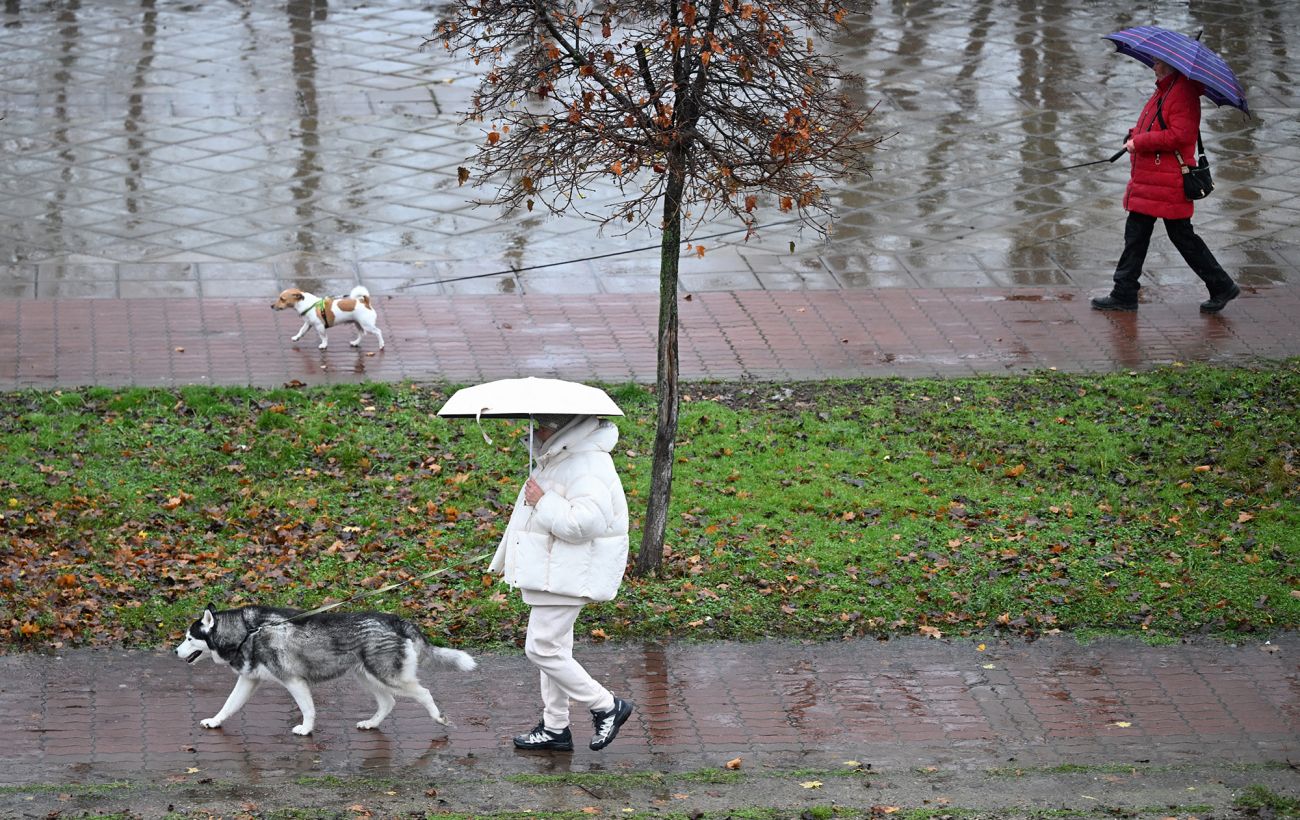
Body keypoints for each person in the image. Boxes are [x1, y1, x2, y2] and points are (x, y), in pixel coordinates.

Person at [490, 413, 634, 752]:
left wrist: (543, 501)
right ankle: (556, 727)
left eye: (539, 424)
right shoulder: (561, 458)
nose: (533, 430)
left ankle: (606, 704)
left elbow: (583, 524)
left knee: (541, 648)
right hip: (555, 570)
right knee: (555, 649)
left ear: (560, 427)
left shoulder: (587, 464)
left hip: (570, 572)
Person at [1091, 58, 1240, 313]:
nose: (1154, 66)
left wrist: (1141, 143)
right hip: (1154, 179)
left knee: (1180, 237)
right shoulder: (1166, 88)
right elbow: (1153, 123)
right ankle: (1124, 291)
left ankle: (1220, 284)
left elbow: (1180, 135)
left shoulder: (1181, 93)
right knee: (1138, 235)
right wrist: (1133, 134)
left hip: (1167, 180)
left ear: (1172, 66)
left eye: (1159, 63)